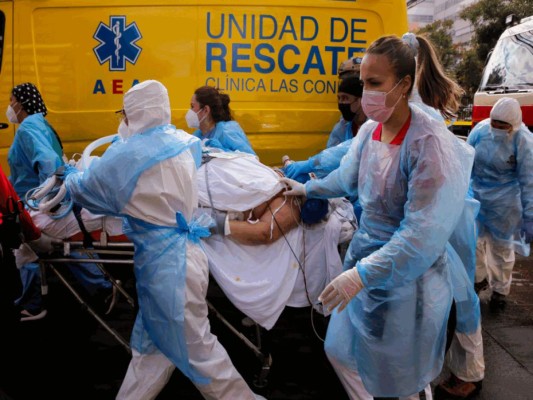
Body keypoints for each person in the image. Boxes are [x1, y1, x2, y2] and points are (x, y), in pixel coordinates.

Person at [281, 34, 475, 399]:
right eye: (363, 83)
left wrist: (360, 275)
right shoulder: (371, 131)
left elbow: (421, 233)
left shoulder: (428, 143)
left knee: (404, 373)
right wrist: (310, 188)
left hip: (409, 277)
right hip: (367, 257)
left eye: (374, 83)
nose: (365, 93)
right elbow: (348, 177)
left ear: (403, 84)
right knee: (340, 351)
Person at [60, 80, 265, 400]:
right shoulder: (184, 143)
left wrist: (70, 174)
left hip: (167, 269)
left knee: (201, 355)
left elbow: (90, 192)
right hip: (183, 257)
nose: (123, 121)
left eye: (125, 114)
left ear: (135, 113)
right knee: (151, 353)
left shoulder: (129, 153)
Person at [6, 82, 115, 321]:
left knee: (34, 243)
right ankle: (103, 286)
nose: (9, 105)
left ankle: (32, 304)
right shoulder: (39, 124)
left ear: (21, 103)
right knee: (69, 244)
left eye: (12, 99)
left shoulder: (28, 129)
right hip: (39, 195)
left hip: (38, 200)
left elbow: (47, 162)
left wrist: (49, 199)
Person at [468, 97, 533, 308]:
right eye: (494, 122)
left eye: (502, 125)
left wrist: (529, 215)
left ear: (512, 125)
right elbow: (466, 159)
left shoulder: (523, 140)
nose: (496, 127)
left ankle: (500, 290)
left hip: (505, 203)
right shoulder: (480, 131)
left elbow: (528, 181)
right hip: (478, 196)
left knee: (501, 249)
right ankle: (479, 279)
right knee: (472, 241)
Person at [186, 85, 256, 155]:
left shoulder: (227, 131)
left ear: (205, 110)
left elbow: (250, 160)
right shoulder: (198, 135)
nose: (190, 111)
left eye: (192, 106)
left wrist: (223, 153)